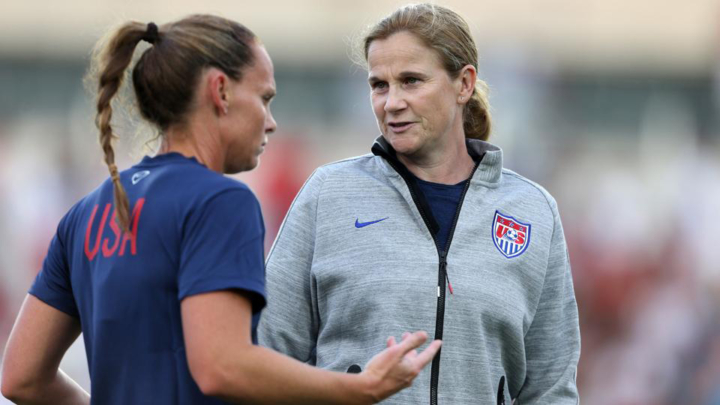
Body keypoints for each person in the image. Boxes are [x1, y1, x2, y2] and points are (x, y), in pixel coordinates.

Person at [0, 15, 441, 405]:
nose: (271, 121)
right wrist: (360, 388)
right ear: (221, 91)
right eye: (265, 98)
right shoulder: (219, 202)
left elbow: (21, 378)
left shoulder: (88, 212)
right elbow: (221, 367)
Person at [258, 4, 580, 404]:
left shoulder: (533, 212)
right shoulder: (328, 195)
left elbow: (551, 389)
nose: (391, 102)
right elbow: (267, 355)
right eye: (379, 85)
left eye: (411, 81)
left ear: (464, 84)